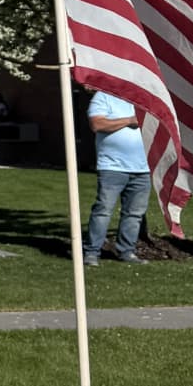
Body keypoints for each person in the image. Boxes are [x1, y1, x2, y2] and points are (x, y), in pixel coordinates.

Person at [83, 89, 150, 266]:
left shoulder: (143, 98)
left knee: (134, 214)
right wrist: (129, 120)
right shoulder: (104, 96)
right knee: (103, 210)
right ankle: (92, 252)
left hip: (142, 168)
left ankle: (126, 251)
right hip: (112, 167)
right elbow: (96, 124)